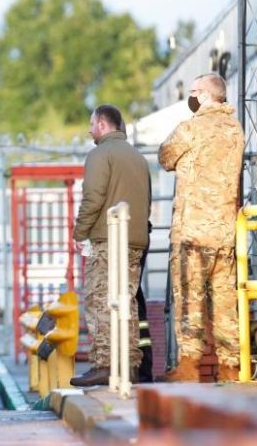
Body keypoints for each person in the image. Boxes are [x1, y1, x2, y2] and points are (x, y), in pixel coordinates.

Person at [158, 73, 245, 382]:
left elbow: (165, 157)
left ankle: (188, 367)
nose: (191, 97)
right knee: (224, 301)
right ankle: (230, 368)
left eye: (195, 91)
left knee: (189, 298)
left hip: (193, 231)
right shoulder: (236, 130)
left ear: (207, 96)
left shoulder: (190, 129)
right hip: (225, 232)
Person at [70, 105, 151, 387]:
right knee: (125, 302)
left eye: (91, 123)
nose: (89, 129)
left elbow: (93, 198)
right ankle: (129, 365)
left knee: (100, 300)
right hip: (135, 240)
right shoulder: (138, 158)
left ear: (103, 124)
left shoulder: (100, 154)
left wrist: (79, 232)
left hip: (107, 239)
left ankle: (104, 364)